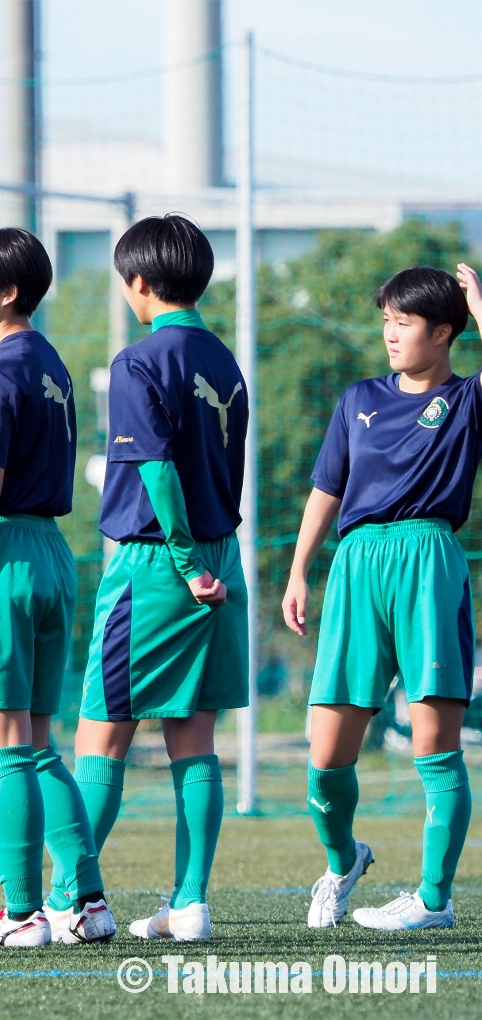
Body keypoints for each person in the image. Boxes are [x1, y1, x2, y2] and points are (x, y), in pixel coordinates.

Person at [283, 264, 476, 931]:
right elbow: (326, 489)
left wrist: (481, 301)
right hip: (357, 564)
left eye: (405, 321)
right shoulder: (358, 398)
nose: (390, 334)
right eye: (386, 320)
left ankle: (432, 899)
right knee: (326, 755)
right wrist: (300, 569)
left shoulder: (466, 400)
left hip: (428, 562)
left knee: (434, 745)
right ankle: (342, 863)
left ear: (446, 331)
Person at [0, 228, 115, 949]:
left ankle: (20, 915)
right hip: (49, 553)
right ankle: (87, 903)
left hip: (3, 551)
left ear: (6, 291)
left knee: (2, 746)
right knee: (39, 745)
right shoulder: (51, 363)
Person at [77, 214, 249, 943]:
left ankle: (71, 896)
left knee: (101, 739)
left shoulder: (138, 361)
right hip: (221, 558)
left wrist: (182, 564)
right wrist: (206, 566)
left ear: (139, 284)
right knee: (194, 740)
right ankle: (190, 903)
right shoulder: (226, 361)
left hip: (156, 564)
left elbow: (157, 474)